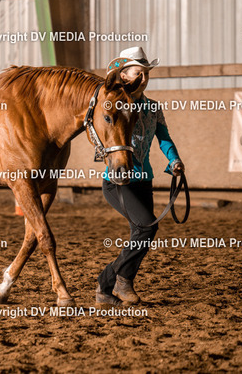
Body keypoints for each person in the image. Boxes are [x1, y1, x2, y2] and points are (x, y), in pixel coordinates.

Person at [96, 46, 185, 307]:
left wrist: (174, 160)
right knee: (147, 227)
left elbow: (164, 138)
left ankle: (114, 287)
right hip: (118, 182)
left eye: (147, 73)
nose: (144, 78)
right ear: (124, 76)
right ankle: (110, 281)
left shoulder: (153, 107)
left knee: (142, 233)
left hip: (144, 180)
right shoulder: (114, 106)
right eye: (139, 73)